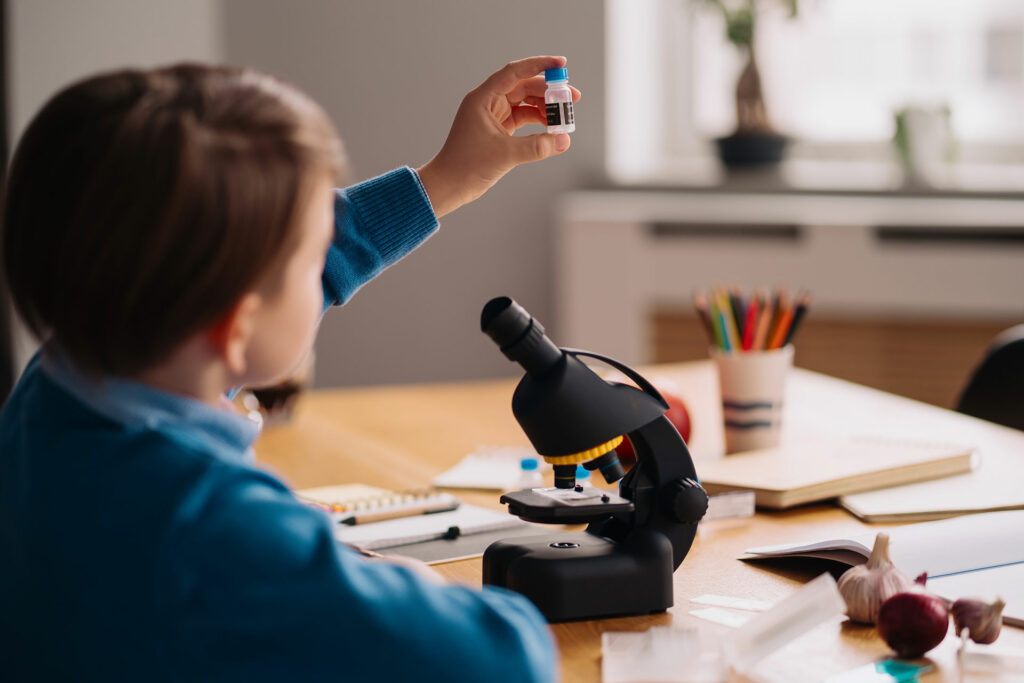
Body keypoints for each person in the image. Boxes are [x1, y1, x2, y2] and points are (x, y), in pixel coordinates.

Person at [0, 56, 580, 682]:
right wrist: (397, 581)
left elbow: (291, 262)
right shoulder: (218, 532)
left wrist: (444, 179)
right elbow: (502, 661)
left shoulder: (60, 386)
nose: (325, 266)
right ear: (237, 326)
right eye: (308, 260)